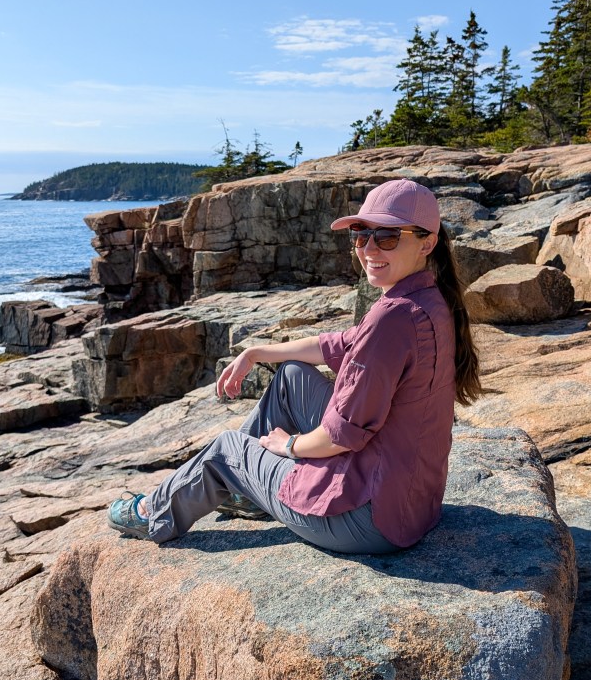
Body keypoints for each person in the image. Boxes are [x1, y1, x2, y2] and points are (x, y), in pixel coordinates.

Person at [107, 179, 481, 554]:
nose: (369, 248)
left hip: (367, 518)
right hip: (412, 504)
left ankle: (153, 514)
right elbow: (339, 343)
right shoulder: (427, 300)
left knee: (226, 449)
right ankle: (245, 491)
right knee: (290, 376)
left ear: (426, 243)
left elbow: (340, 437)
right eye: (361, 235)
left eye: (387, 237)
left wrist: (288, 446)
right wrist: (257, 352)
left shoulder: (394, 318)